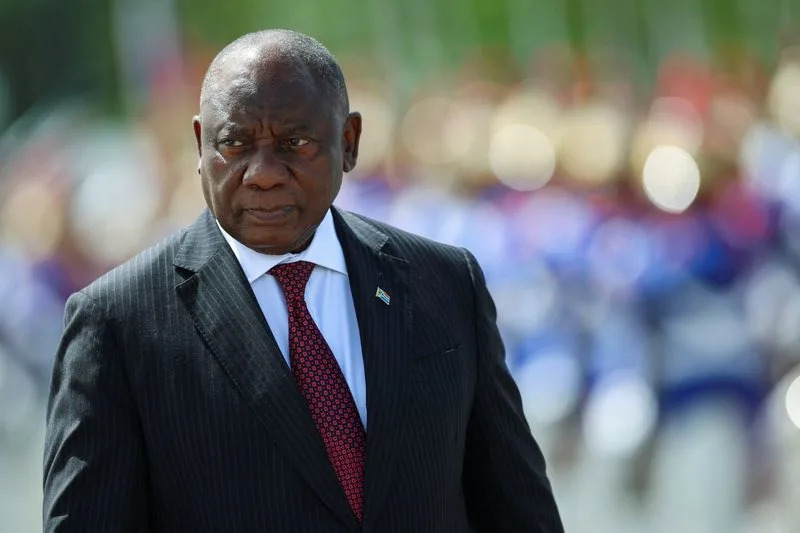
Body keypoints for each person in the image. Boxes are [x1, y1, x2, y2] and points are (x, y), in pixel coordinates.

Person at [43, 29, 563, 532]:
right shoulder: (119, 323)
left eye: (294, 142)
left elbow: (520, 510)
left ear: (349, 141)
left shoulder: (443, 283)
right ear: (201, 145)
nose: (264, 172)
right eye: (234, 143)